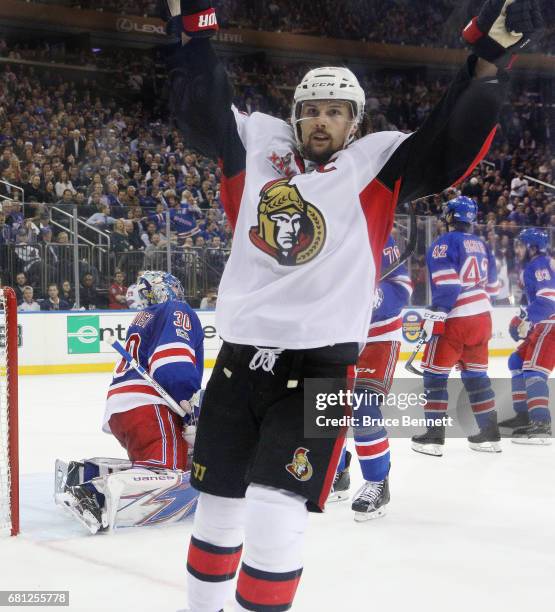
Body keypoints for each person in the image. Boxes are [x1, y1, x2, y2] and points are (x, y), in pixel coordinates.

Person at [162, 0, 534, 609]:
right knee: (219, 508)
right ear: (295, 116)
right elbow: (200, 108)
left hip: (324, 368)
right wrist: (195, 31)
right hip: (238, 359)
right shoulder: (257, 142)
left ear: (353, 121)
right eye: (310, 111)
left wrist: (485, 66)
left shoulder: (378, 162)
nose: (320, 121)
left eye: (335, 112)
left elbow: (448, 140)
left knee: (275, 509)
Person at [55, 272, 204, 533]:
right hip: (150, 407)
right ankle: (94, 496)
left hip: (122, 409)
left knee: (150, 465)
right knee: (168, 471)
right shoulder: (176, 310)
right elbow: (173, 365)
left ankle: (84, 474)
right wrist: (191, 407)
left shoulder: (144, 316)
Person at [329, 235, 412, 521]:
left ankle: (378, 483)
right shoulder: (324, 233)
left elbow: (401, 289)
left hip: (378, 338)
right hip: (338, 338)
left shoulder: (380, 234)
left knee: (363, 406)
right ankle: (336, 474)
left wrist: (368, 297)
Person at [411, 197, 501, 456]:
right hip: (483, 317)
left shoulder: (443, 242)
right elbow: (494, 287)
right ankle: (489, 434)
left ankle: (434, 437)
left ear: (449, 216)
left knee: (435, 376)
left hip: (456, 318)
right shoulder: (483, 245)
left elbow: (448, 285)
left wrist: (438, 313)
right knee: (476, 376)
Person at [500, 229, 554, 444]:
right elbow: (534, 301)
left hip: (550, 323)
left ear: (532, 248)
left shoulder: (538, 264)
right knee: (517, 361)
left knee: (533, 370)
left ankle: (541, 425)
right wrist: (522, 318)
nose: (518, 249)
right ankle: (523, 416)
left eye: (521, 245)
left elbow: (549, 298)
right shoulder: (539, 264)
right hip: (544, 321)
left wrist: (524, 319)